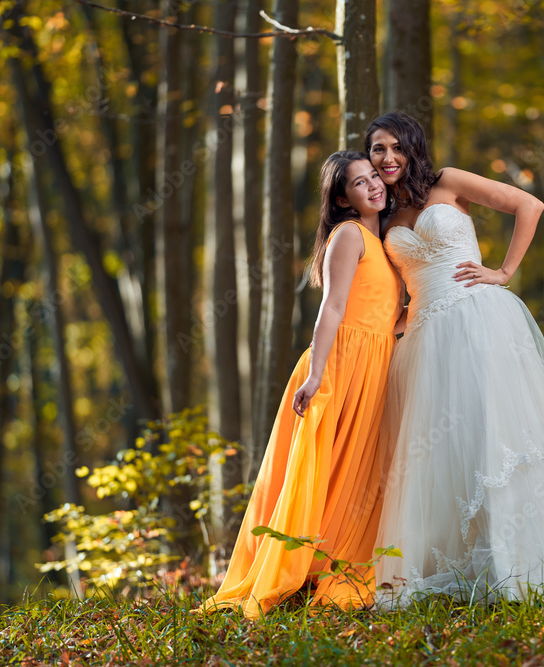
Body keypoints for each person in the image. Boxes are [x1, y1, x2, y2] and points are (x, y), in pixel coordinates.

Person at [365, 112, 544, 608]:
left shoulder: (448, 183)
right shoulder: (382, 216)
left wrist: (504, 271)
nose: (387, 158)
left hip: (479, 321)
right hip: (426, 341)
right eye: (376, 150)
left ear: (413, 148)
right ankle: (468, 562)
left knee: (497, 435)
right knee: (445, 451)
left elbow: (529, 204)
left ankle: (522, 559)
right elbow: (394, 285)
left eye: (395, 147)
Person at [199, 151, 403, 617]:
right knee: (320, 467)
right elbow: (332, 307)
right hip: (341, 361)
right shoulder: (349, 235)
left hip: (375, 365)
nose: (373, 186)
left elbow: (385, 312)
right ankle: (293, 567)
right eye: (359, 183)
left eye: (375, 177)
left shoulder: (384, 240)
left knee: (357, 468)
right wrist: (315, 374)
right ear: (342, 198)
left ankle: (327, 563)